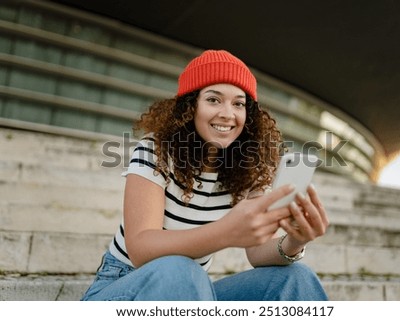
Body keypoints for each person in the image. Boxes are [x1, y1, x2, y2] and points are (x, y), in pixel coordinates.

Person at [81, 49, 329, 301]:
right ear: (190, 107)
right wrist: (225, 233)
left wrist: (294, 242)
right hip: (125, 287)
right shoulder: (154, 150)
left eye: (238, 103)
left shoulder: (249, 168)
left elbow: (258, 252)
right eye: (213, 100)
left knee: (295, 277)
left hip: (192, 292)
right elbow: (140, 248)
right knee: (182, 269)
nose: (227, 113)